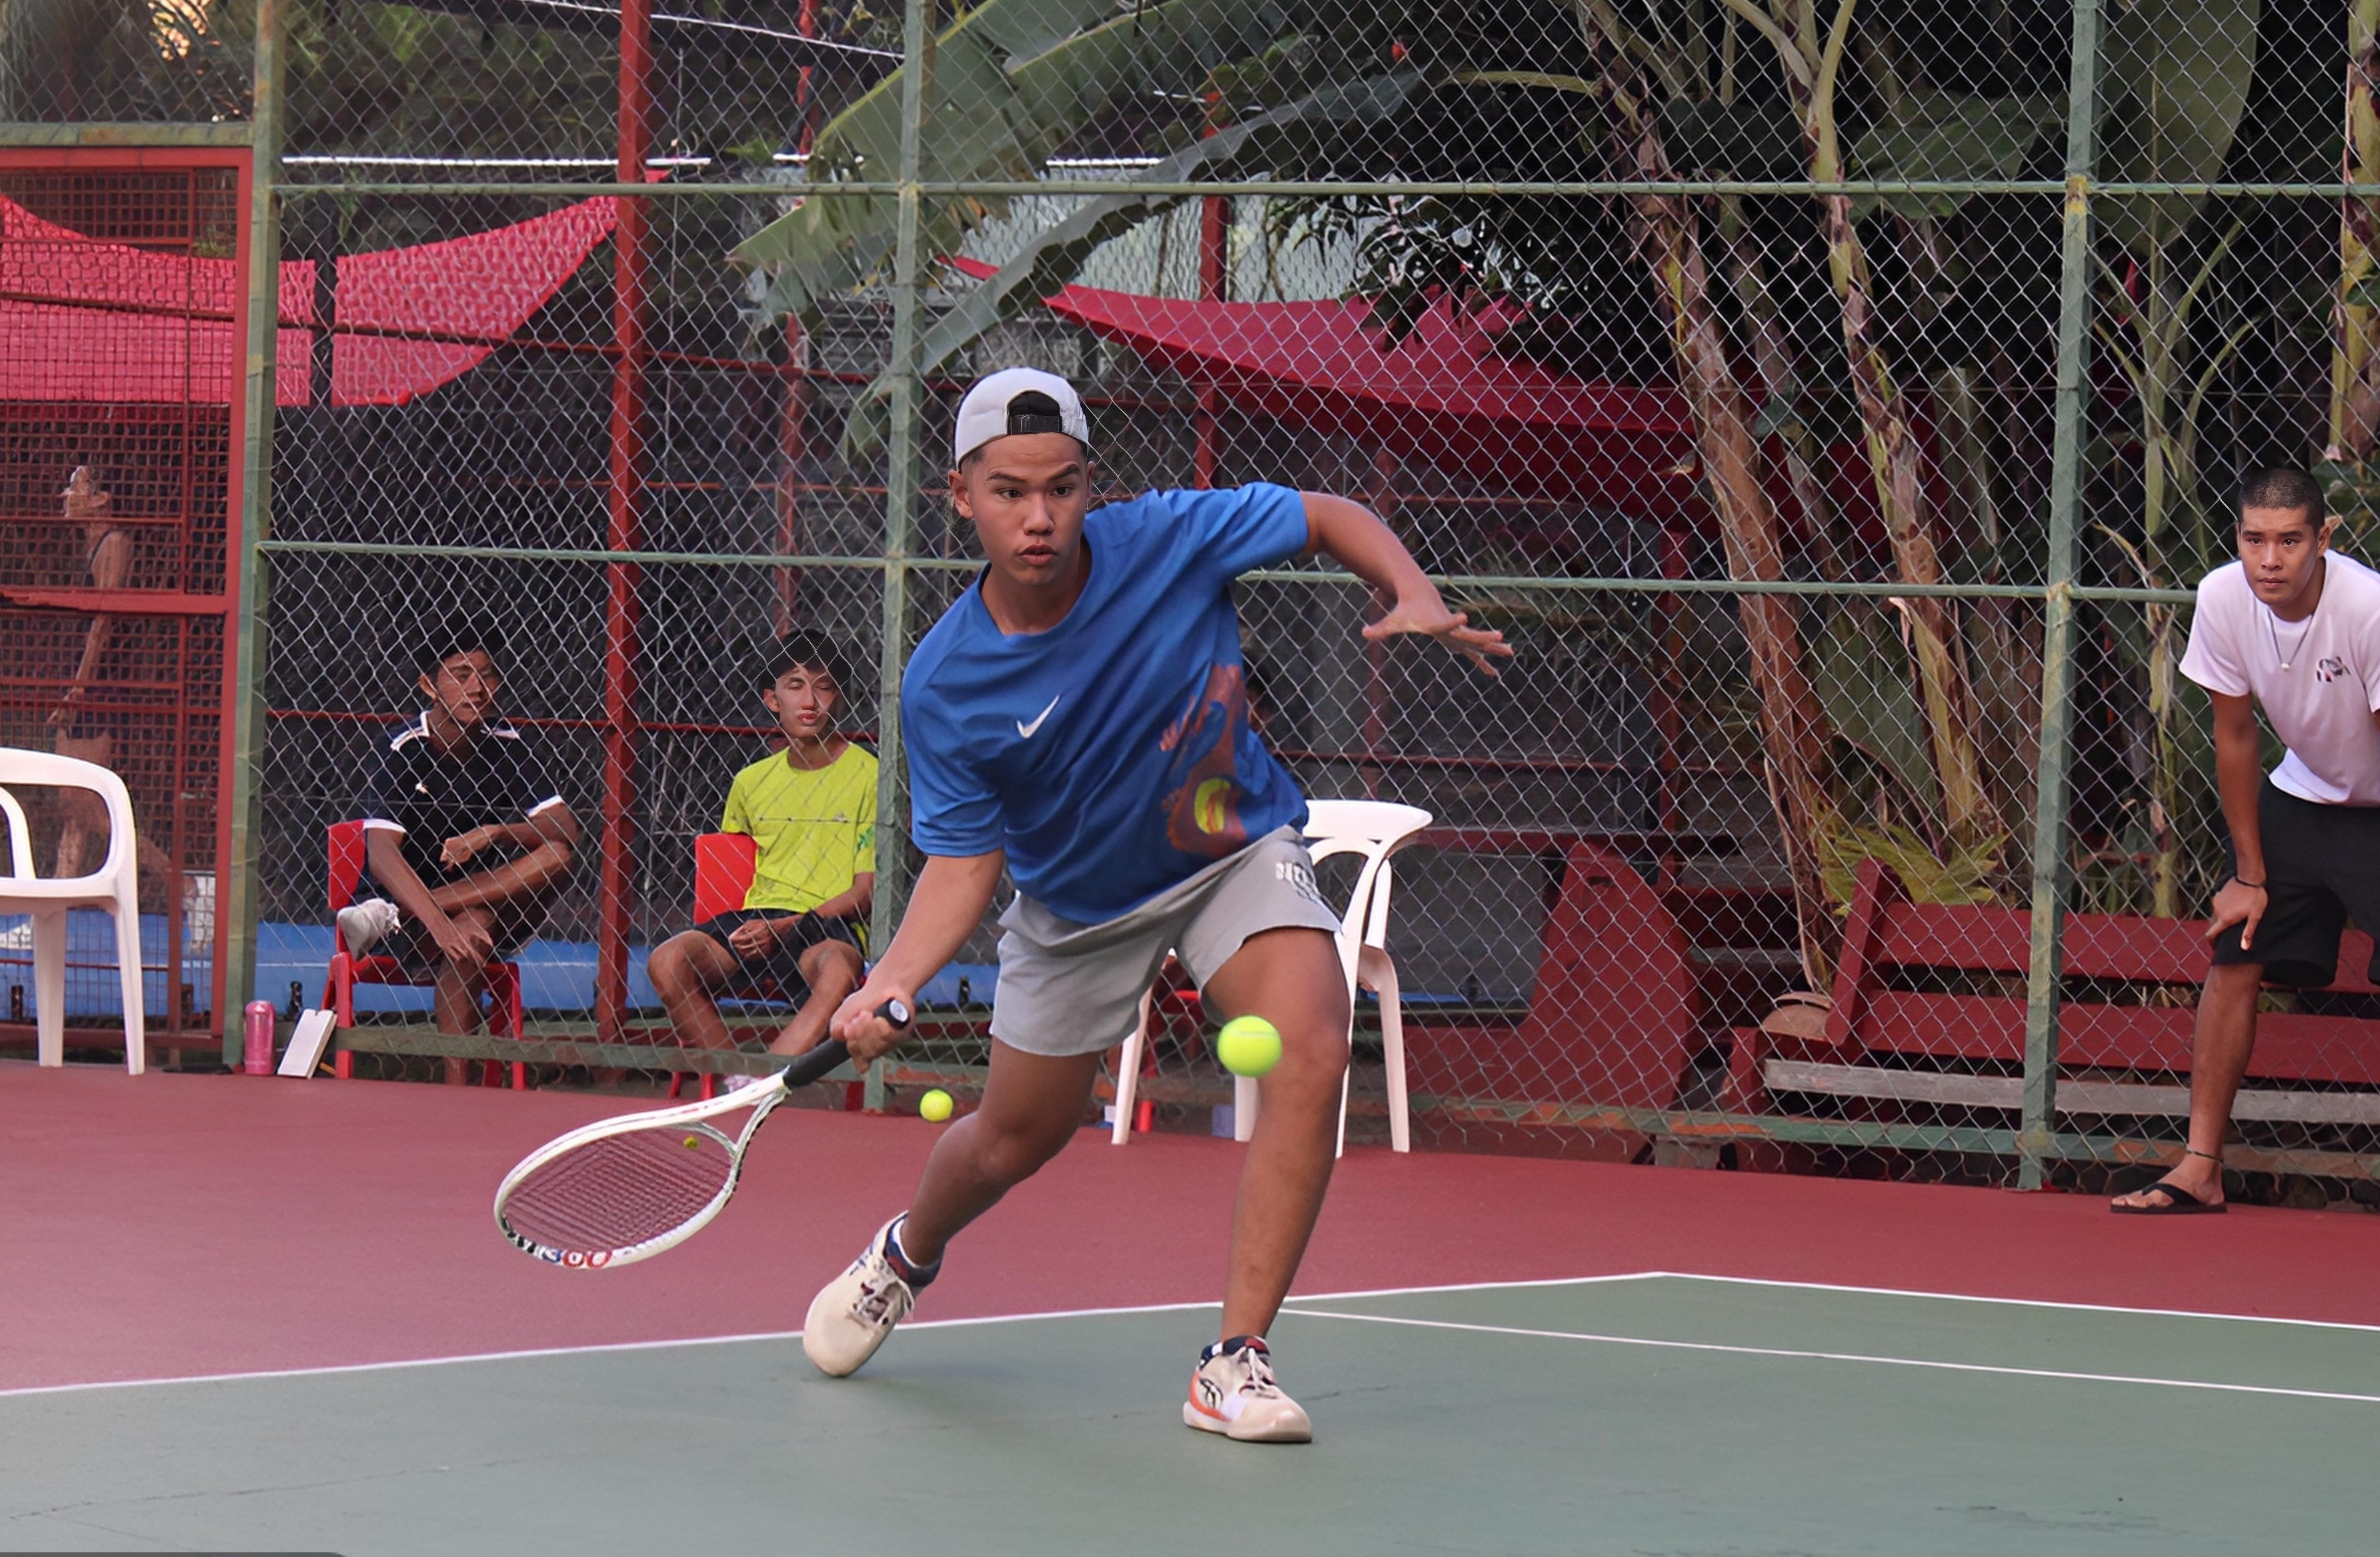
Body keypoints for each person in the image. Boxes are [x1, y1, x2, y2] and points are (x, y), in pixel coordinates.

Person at [800, 367, 1510, 1442]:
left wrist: (1405, 586)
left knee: (1314, 1039)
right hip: (1076, 906)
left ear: (1094, 484)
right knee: (1010, 1140)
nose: (1038, 517)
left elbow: (1327, 515)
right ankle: (904, 1253)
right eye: (1007, 491)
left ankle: (1235, 1359)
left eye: (1062, 487)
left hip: (1231, 846)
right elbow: (961, 861)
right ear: (960, 494)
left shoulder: (1170, 537)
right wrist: (893, 977)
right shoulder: (946, 682)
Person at [2113, 467, 2380, 1213]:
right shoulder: (2223, 596)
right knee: (2235, 953)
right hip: (2302, 794)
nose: (2268, 559)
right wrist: (2250, 873)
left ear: (2322, 538)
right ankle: (2199, 1167)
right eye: (2253, 539)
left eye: (2289, 540)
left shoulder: (2367, 608)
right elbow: (2233, 737)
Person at [340, 621, 581, 1084]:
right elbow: (382, 854)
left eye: (487, 675)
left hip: (477, 902)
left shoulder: (508, 744)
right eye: (461, 674)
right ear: (429, 685)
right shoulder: (401, 747)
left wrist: (496, 833)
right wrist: (435, 919)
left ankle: (385, 914)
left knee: (555, 855)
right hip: (418, 917)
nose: (477, 688)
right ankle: (457, 1087)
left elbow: (565, 828)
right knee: (472, 930)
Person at [646, 633, 874, 1062]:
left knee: (839, 969)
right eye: (795, 686)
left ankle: (769, 1080)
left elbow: (864, 895)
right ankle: (735, 1080)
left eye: (824, 686)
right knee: (667, 960)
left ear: (838, 697)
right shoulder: (750, 782)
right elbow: (730, 880)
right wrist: (754, 930)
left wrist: (785, 927)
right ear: (772, 699)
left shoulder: (870, 776)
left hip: (821, 925)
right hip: (754, 920)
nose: (810, 700)